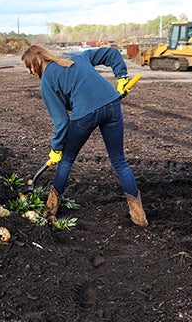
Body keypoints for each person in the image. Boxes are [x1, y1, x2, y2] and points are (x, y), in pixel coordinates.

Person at [21, 44, 148, 227]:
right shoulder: (74, 56)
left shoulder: (47, 80)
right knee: (119, 161)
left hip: (85, 116)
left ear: (38, 60)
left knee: (66, 159)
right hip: (112, 105)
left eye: (29, 67)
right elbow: (112, 53)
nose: (29, 72)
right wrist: (121, 78)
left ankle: (50, 210)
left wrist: (56, 148)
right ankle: (139, 216)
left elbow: (62, 122)